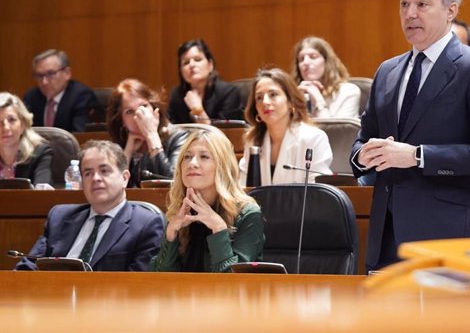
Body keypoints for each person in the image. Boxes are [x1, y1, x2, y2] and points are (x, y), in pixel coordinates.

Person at [350, 0, 470, 271]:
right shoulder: (388, 70)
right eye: (403, 3)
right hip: (385, 237)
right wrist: (363, 155)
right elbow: (362, 138)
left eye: (422, 3)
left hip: (446, 236)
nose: (410, 13)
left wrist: (418, 156)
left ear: (451, 11)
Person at [15, 140, 164, 271]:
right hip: (51, 297)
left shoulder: (146, 224)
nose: (96, 178)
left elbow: (138, 283)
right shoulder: (60, 217)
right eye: (88, 173)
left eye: (104, 171)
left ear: (124, 178)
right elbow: (28, 266)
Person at [150, 128, 264, 272]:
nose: (192, 163)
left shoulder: (248, 214)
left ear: (222, 166)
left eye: (204, 157)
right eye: (187, 157)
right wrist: (171, 234)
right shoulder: (178, 211)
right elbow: (161, 281)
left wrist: (218, 228)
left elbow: (232, 283)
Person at [239, 68, 333, 185]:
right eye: (259, 97)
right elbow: (242, 187)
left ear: (290, 102)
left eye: (273, 94)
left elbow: (319, 193)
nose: (265, 102)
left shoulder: (314, 138)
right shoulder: (252, 140)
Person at [107, 79, 188, 187]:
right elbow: (111, 190)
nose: (139, 115)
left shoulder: (178, 137)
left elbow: (174, 185)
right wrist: (128, 152)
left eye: (144, 106)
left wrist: (151, 136)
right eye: (129, 112)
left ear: (155, 109)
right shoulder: (116, 148)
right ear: (122, 121)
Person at [168, 39, 244, 124]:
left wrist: (197, 110)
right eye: (186, 62)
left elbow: (222, 135)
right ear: (181, 71)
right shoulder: (177, 95)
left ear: (210, 65)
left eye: (197, 59)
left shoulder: (229, 93)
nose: (191, 65)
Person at [23, 49, 98, 132]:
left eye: (50, 74)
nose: (44, 82)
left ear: (67, 73)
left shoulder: (82, 97)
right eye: (40, 75)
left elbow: (79, 135)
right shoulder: (31, 97)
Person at [291, 36, 361, 119]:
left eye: (313, 57)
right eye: (301, 59)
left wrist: (318, 100)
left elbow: (335, 131)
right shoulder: (293, 94)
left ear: (327, 61)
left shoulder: (348, 91)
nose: (305, 62)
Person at [0, 92, 54, 186]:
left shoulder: (40, 153)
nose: (6, 128)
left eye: (11, 120)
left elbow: (42, 193)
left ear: (23, 124)